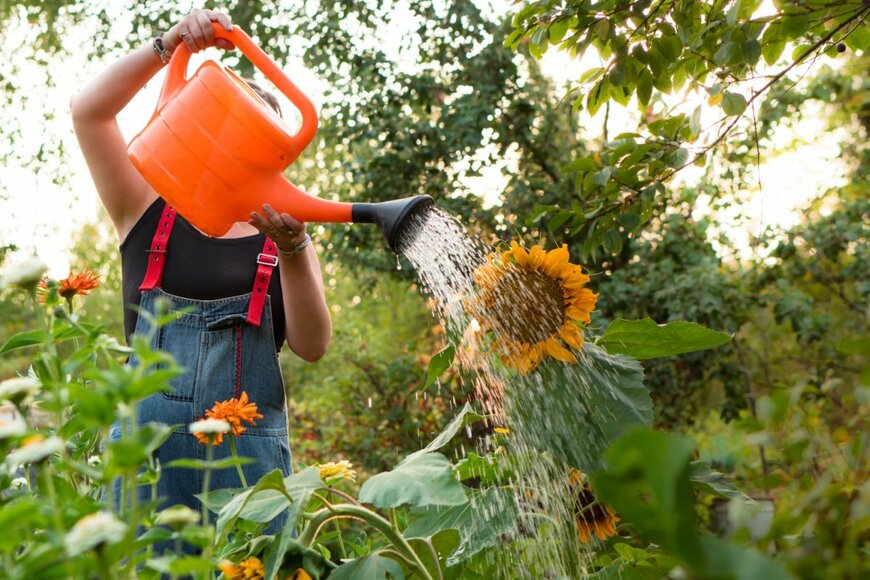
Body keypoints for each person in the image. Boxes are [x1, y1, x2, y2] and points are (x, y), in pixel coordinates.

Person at [70, 7, 332, 543]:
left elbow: (312, 345)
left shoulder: (280, 235)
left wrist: (296, 249)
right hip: (143, 463)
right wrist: (167, 46)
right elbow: (89, 113)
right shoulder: (144, 205)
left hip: (247, 473)